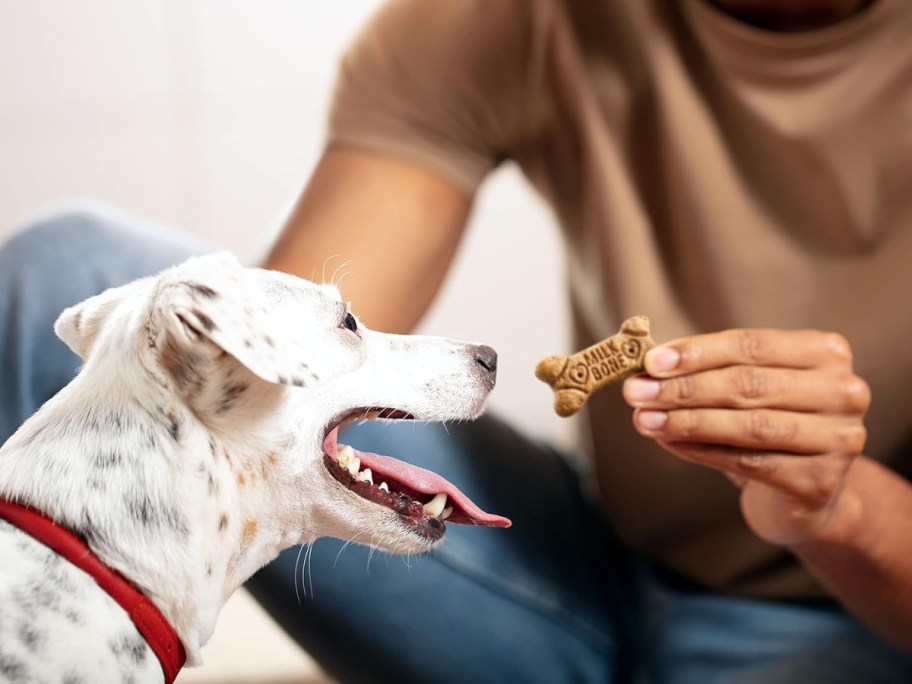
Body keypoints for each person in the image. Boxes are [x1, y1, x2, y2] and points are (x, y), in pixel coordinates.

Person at [1, 0, 911, 682]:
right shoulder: (510, 14)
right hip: (583, 579)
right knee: (62, 267)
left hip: (858, 616)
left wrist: (842, 510)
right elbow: (281, 388)